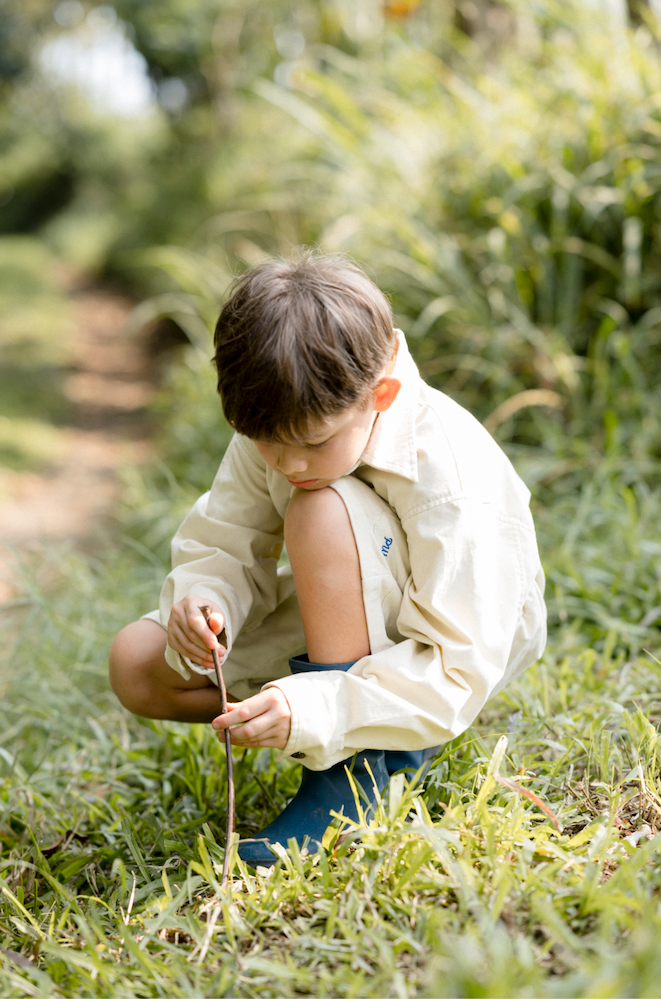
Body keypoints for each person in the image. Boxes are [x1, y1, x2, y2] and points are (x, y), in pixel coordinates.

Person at [109, 251, 547, 867]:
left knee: (319, 507)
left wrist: (318, 707)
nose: (286, 464)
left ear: (382, 394)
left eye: (311, 443)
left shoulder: (452, 479)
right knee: (138, 664)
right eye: (265, 442)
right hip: (352, 597)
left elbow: (459, 665)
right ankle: (354, 716)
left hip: (453, 637)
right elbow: (227, 536)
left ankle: (357, 768)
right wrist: (208, 599)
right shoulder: (288, 412)